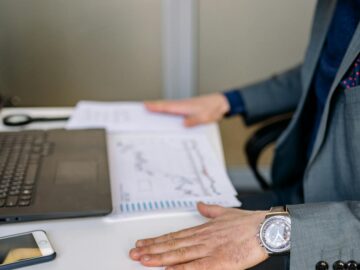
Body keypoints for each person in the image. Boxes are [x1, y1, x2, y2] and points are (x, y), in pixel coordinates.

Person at [129, 0, 360, 269]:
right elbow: (326, 71)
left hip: (335, 233)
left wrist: (279, 231)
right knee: (160, 227)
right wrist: (228, 101)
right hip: (296, 194)